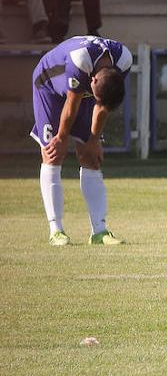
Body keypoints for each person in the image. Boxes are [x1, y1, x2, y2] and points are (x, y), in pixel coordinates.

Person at [30, 36, 130, 245]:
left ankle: (99, 231)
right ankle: (56, 230)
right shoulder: (80, 60)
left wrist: (94, 139)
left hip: (83, 92)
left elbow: (103, 104)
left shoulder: (124, 60)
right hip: (49, 86)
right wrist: (61, 138)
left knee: (91, 157)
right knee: (54, 153)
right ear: (92, 81)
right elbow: (71, 103)